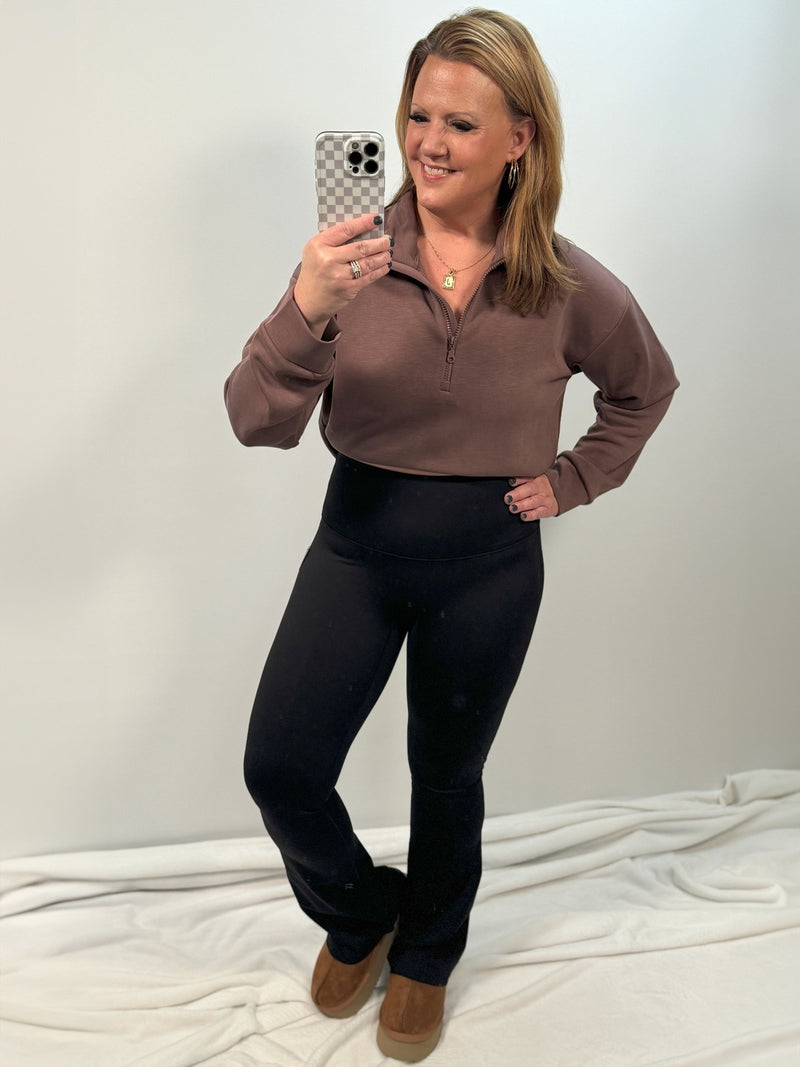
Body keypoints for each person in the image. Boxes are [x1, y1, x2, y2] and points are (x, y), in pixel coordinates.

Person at [224, 8, 678, 1061]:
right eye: (417, 115)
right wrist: (307, 306)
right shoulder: (348, 261)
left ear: (519, 137)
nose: (427, 142)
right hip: (357, 544)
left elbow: (645, 388)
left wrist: (574, 477)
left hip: (488, 561)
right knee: (281, 765)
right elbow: (253, 419)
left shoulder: (566, 281)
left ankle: (427, 951)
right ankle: (361, 911)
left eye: (460, 124)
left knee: (445, 775)